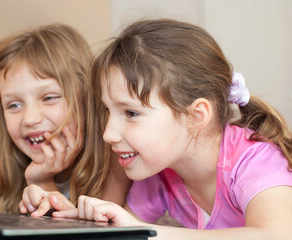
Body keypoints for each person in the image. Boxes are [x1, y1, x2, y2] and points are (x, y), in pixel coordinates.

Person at [52, 18, 292, 239]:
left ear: (196, 116)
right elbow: (124, 231)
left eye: (131, 113)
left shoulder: (256, 160)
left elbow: (276, 236)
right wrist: (70, 220)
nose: (108, 134)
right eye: (108, 111)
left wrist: (151, 232)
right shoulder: (159, 173)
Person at [0, 23, 130, 214]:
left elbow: (91, 234)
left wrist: (41, 181)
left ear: (86, 97)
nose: (30, 119)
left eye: (49, 98)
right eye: (14, 105)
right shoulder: (5, 157)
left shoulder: (114, 155)